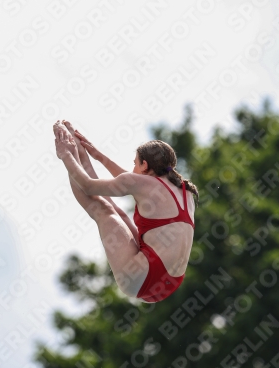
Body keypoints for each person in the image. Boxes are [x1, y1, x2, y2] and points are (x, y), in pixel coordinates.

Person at [53, 120, 198, 303]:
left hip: (143, 278)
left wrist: (66, 154)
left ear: (145, 165)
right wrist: (96, 155)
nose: (132, 169)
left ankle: (75, 151)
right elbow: (130, 181)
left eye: (135, 164)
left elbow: (88, 186)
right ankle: (80, 153)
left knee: (105, 211)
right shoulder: (184, 191)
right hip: (169, 283)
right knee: (119, 214)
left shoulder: (143, 184)